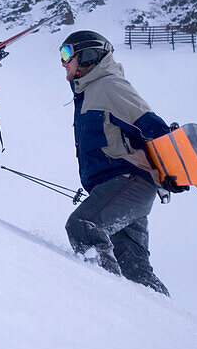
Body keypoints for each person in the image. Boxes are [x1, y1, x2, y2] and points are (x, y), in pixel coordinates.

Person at [61, 29, 177, 295]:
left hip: (130, 183)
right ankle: (162, 317)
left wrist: (172, 169)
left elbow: (152, 126)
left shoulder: (109, 86)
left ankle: (110, 301)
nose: (63, 62)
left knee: (83, 227)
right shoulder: (90, 91)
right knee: (134, 269)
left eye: (68, 54)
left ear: (89, 55)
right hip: (117, 190)